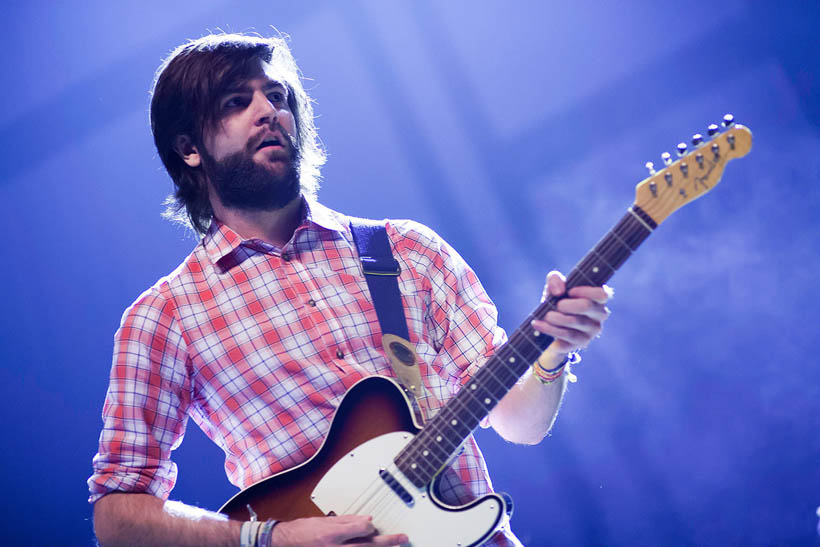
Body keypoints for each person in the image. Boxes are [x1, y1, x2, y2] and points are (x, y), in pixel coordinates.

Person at [88, 32, 611, 547]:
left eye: (277, 96)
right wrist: (273, 539)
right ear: (189, 149)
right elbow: (119, 518)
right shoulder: (165, 317)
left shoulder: (409, 250)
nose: (268, 111)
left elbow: (520, 422)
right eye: (236, 102)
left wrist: (552, 352)